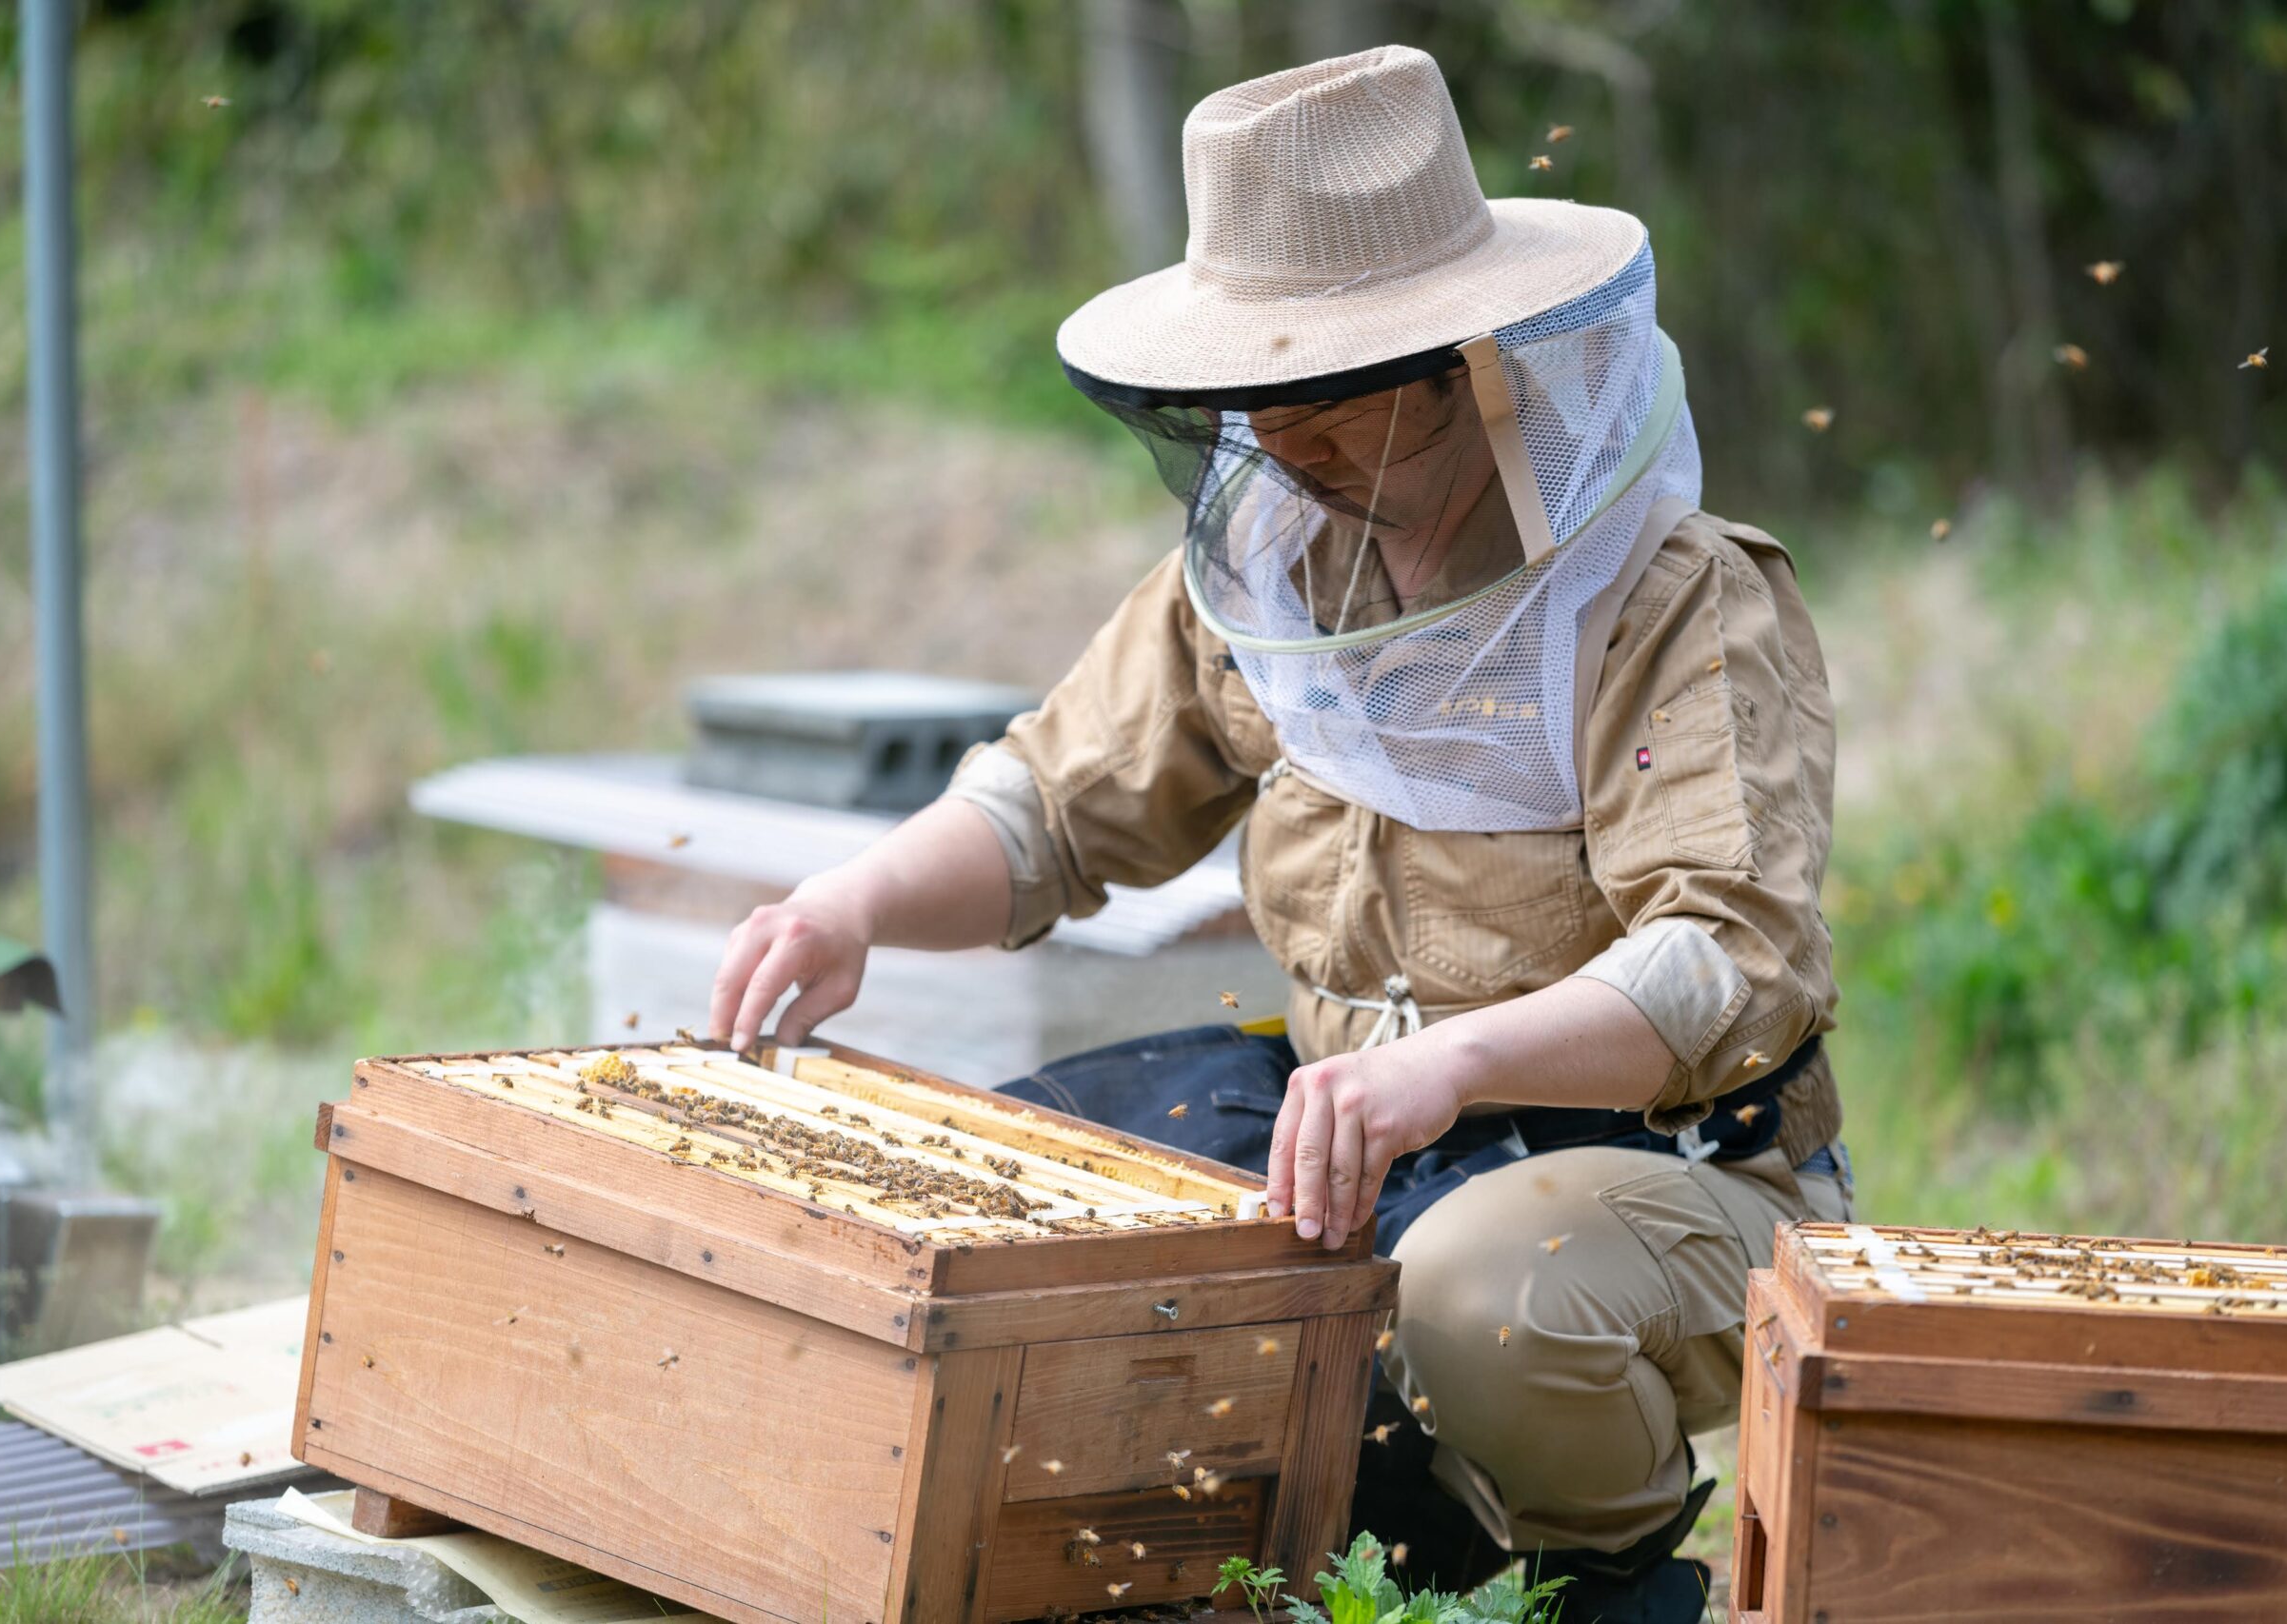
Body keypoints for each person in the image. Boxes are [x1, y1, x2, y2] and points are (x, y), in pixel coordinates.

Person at [707, 44, 1849, 1624]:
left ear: (1468, 367)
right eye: (1249, 383)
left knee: (1474, 1288)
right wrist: (854, 901)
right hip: (1357, 1120)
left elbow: (1727, 963)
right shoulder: (1275, 565)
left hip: (1658, 1174)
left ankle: (1613, 1576)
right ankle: (1368, 1538)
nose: (1269, 430)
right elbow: (1057, 799)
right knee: (1044, 1212)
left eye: (1317, 388)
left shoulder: (1676, 603)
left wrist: (1449, 1062)